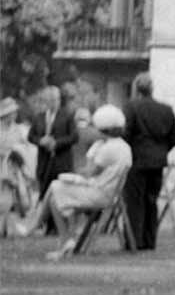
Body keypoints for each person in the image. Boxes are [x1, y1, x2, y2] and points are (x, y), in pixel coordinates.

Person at [12, 104, 132, 257]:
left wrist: (90, 155)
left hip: (100, 194)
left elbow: (89, 172)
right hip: (108, 192)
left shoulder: (107, 149)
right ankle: (64, 240)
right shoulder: (123, 146)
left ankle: (37, 224)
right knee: (55, 197)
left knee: (56, 186)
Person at [122, 72, 175, 251]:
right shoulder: (166, 110)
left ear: (137, 89)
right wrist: (161, 151)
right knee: (151, 200)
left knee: (134, 201)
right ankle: (149, 241)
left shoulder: (131, 107)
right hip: (157, 162)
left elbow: (126, 134)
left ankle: (134, 241)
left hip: (137, 160)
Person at [28, 86, 77, 234]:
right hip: (44, 162)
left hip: (61, 162)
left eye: (55, 100)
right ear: (45, 101)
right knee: (45, 193)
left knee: (60, 193)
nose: (53, 102)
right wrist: (41, 141)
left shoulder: (67, 116)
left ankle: (59, 227)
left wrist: (57, 143)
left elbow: (74, 137)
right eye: (50, 100)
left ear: (59, 100)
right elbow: (31, 137)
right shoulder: (39, 117)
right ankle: (48, 226)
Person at [1, 97, 39, 236]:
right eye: (12, 113)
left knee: (15, 199)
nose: (14, 115)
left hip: (14, 168)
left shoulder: (19, 130)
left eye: (15, 113)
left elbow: (27, 147)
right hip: (1, 167)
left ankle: (8, 229)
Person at [72, 106, 101, 174]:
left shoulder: (69, 132)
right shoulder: (96, 133)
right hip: (87, 169)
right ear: (89, 118)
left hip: (70, 167)